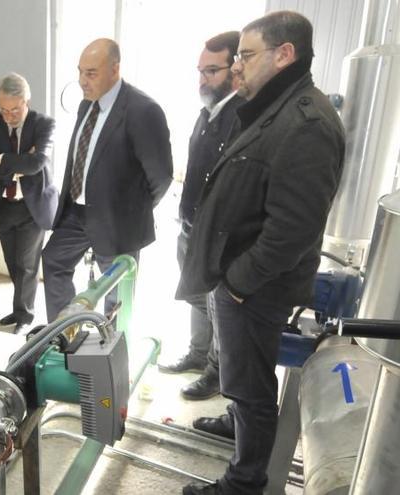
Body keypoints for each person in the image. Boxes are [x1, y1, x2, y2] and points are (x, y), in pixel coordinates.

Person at [177, 11, 345, 495]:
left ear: (284, 54)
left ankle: (244, 481)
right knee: (241, 378)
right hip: (240, 277)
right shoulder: (276, 105)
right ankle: (237, 429)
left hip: (256, 286)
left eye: (246, 57)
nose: (236, 69)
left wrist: (238, 283)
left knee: (250, 387)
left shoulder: (306, 122)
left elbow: (292, 229)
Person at [42, 38, 173, 322]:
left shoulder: (142, 110)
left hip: (117, 219)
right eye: (80, 72)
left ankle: (110, 351)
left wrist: (132, 209)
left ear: (115, 69)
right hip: (76, 213)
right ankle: (64, 331)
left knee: (116, 290)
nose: (82, 81)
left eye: (91, 73)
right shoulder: (86, 106)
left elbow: (161, 176)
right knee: (53, 260)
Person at [158, 32, 245, 404]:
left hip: (218, 233)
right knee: (197, 296)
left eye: (212, 70)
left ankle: (215, 370)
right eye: (200, 70)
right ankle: (198, 353)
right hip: (192, 223)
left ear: (236, 67)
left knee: (217, 303)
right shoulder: (207, 114)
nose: (203, 79)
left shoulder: (241, 116)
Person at [0, 73, 58, 334]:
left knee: (27, 263)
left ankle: (25, 315)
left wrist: (1, 157)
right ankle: (19, 307)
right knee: (12, 262)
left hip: (32, 205)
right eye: (4, 110)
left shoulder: (44, 124)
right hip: (4, 205)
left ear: (27, 101)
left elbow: (36, 164)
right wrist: (15, 164)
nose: (9, 116)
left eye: (15, 109)